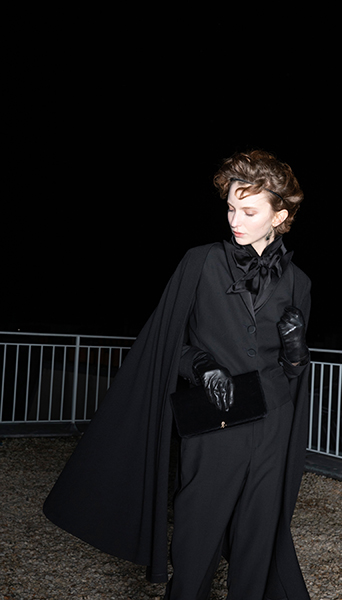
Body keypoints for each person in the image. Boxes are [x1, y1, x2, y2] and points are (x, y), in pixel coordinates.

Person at [44, 150, 311, 600]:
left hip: (273, 421)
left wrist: (298, 353)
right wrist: (201, 365)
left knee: (259, 532)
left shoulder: (299, 282)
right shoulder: (201, 261)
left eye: (248, 211)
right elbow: (165, 343)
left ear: (279, 216)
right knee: (197, 529)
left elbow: (293, 371)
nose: (235, 220)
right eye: (231, 208)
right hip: (213, 418)